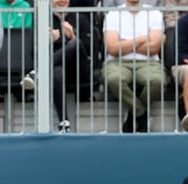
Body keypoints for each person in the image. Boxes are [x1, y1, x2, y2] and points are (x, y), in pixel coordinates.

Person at [20, 0, 88, 133]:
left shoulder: (80, 18)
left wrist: (71, 35)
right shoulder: (43, 20)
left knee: (75, 43)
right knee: (56, 72)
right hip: (55, 72)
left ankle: (37, 72)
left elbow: (90, 49)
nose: (62, 1)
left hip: (78, 70)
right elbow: (33, 53)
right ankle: (64, 123)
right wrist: (46, 42)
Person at [102, 0, 169, 134]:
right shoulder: (113, 14)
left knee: (157, 81)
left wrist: (124, 44)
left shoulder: (154, 13)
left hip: (149, 62)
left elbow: (154, 47)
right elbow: (113, 48)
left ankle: (133, 117)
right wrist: (140, 40)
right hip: (117, 62)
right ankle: (141, 114)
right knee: (114, 79)